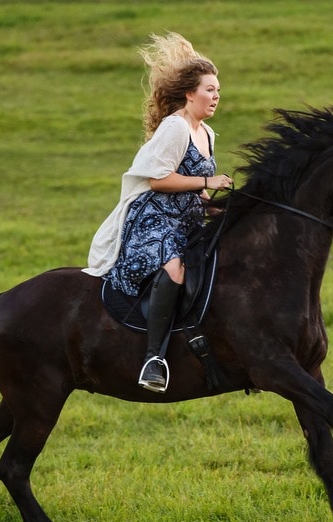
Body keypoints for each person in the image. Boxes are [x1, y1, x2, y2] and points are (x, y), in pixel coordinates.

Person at [83, 33, 233, 392]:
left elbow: (193, 185)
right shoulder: (176, 127)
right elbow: (158, 180)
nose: (216, 96)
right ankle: (154, 359)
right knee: (175, 266)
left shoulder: (207, 133)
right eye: (209, 90)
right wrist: (207, 179)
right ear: (189, 94)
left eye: (218, 90)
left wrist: (210, 201)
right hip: (155, 219)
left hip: (188, 217)